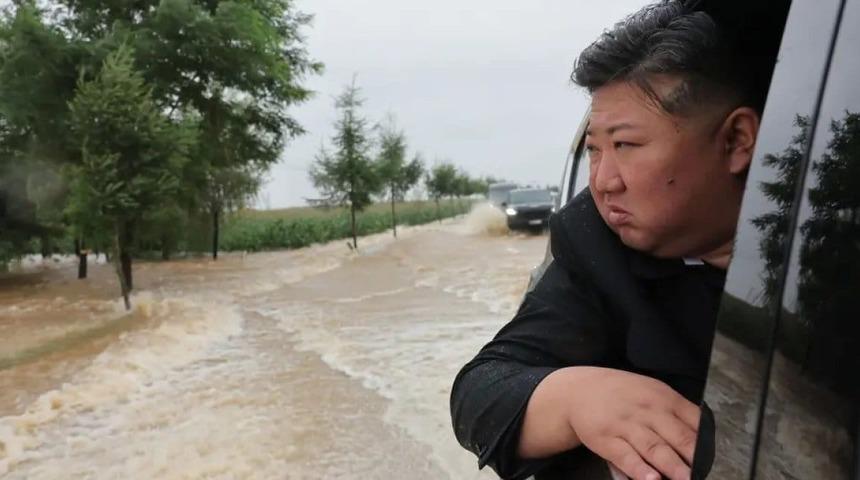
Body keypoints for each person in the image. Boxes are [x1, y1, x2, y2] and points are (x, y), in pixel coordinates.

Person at [450, 2, 771, 479]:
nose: (603, 182)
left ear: (737, 141)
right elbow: (481, 392)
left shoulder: (827, 242)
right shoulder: (596, 245)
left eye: (626, 145)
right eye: (595, 151)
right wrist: (575, 398)